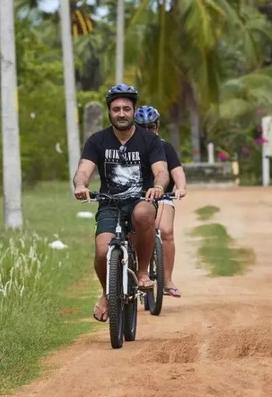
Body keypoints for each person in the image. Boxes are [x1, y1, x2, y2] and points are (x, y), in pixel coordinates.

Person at [73, 84, 169, 322]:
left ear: (133, 110)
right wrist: (80, 185)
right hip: (110, 203)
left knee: (144, 214)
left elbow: (161, 171)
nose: (121, 113)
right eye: (116, 109)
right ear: (109, 112)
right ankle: (108, 292)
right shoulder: (97, 141)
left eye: (126, 108)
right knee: (102, 251)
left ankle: (143, 271)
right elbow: (84, 170)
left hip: (141, 199)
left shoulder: (149, 140)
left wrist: (158, 187)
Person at [134, 105, 187, 298]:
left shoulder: (165, 147)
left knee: (165, 231)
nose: (148, 131)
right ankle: (134, 272)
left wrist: (180, 188)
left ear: (157, 126)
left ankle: (167, 279)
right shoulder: (128, 148)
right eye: (142, 127)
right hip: (136, 198)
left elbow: (177, 171)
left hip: (163, 196)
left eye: (151, 127)